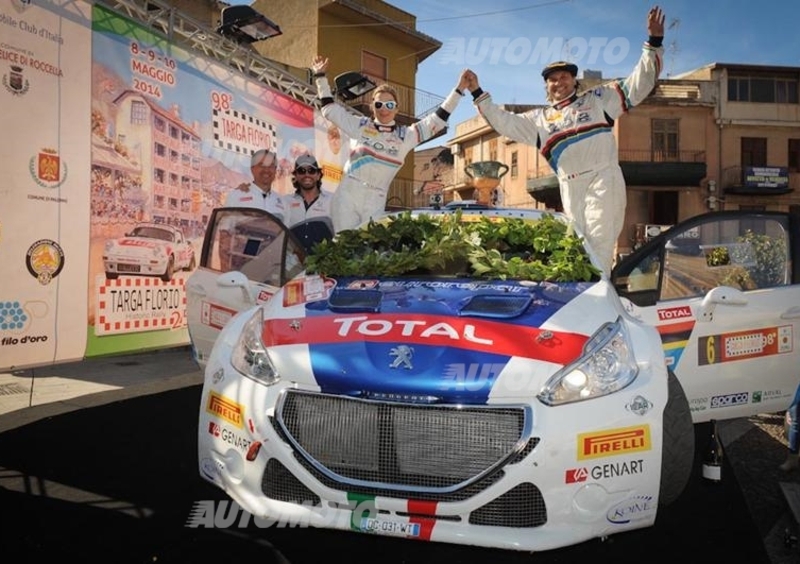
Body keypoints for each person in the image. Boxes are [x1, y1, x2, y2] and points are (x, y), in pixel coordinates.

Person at [459, 6, 666, 275]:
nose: (559, 82)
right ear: (546, 87)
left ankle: (599, 301)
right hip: (570, 185)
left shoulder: (598, 100)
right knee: (578, 245)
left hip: (602, 177)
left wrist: (654, 42)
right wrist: (476, 90)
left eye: (565, 77)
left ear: (574, 81)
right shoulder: (539, 120)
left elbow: (639, 83)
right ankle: (583, 297)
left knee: (599, 244)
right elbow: (504, 122)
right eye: (553, 80)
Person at [311, 55, 469, 232]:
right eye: (379, 104)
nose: (384, 108)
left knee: (369, 250)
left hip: (376, 198)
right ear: (373, 107)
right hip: (348, 194)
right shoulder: (360, 125)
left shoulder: (406, 136)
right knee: (341, 246)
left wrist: (459, 89)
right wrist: (320, 77)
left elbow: (438, 119)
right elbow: (329, 110)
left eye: (389, 104)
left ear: (397, 108)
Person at [282, 154, 336, 253]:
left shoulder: (332, 200)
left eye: (311, 170)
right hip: (294, 264)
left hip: (324, 264)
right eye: (301, 171)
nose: (307, 175)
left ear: (318, 175)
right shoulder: (285, 201)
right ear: (296, 176)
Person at [224, 149, 285, 220]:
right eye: (262, 165)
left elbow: (285, 229)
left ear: (275, 170)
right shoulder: (235, 196)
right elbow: (225, 226)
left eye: (271, 166)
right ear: (252, 169)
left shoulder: (283, 202)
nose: (266, 170)